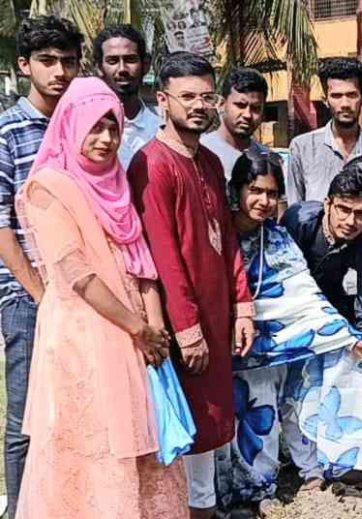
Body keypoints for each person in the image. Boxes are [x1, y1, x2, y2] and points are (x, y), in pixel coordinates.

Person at [14, 77, 188, 518]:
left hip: (136, 335)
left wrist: (156, 331)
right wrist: (139, 330)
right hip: (83, 336)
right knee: (95, 443)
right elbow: (78, 275)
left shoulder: (118, 185)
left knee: (141, 444)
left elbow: (142, 263)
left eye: (112, 127)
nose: (106, 139)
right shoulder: (49, 187)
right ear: (70, 126)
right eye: (94, 127)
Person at [127, 51, 255, 519]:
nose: (198, 106)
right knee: (185, 428)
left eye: (206, 96)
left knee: (211, 427)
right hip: (184, 327)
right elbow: (163, 257)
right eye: (187, 97)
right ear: (163, 100)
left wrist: (242, 304)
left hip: (216, 316)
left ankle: (203, 508)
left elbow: (226, 241)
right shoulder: (152, 165)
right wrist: (186, 328)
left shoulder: (209, 163)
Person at [216, 151, 362, 509]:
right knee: (241, 417)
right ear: (236, 190)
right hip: (224, 341)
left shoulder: (277, 239)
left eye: (272, 194)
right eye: (255, 190)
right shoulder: (215, 233)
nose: (264, 201)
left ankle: (276, 485)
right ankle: (232, 495)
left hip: (279, 340)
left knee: (285, 403)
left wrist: (349, 337)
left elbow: (303, 293)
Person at [0, 15, 82, 518]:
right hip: (28, 296)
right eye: (48, 62)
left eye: (68, 62)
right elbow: (1, 225)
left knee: (75, 414)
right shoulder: (7, 130)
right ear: (25, 65)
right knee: (28, 414)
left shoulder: (84, 125)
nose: (59, 73)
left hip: (85, 294)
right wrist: (40, 292)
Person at [280, 163, 362, 339]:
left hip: (329, 300)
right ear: (328, 205)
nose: (351, 221)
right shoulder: (299, 222)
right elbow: (281, 275)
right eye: (344, 210)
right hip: (287, 298)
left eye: (361, 214)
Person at [287, 58, 362, 203]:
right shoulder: (302, 148)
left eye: (352, 95)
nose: (345, 104)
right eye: (337, 96)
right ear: (325, 100)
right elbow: (294, 209)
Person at [94, 24, 161, 169]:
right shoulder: (87, 130)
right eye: (112, 61)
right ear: (99, 67)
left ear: (146, 64)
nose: (122, 69)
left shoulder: (161, 129)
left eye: (130, 60)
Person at [201, 67, 271, 181]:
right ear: (222, 104)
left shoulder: (266, 159)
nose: (247, 114)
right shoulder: (200, 153)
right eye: (240, 105)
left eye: (256, 108)